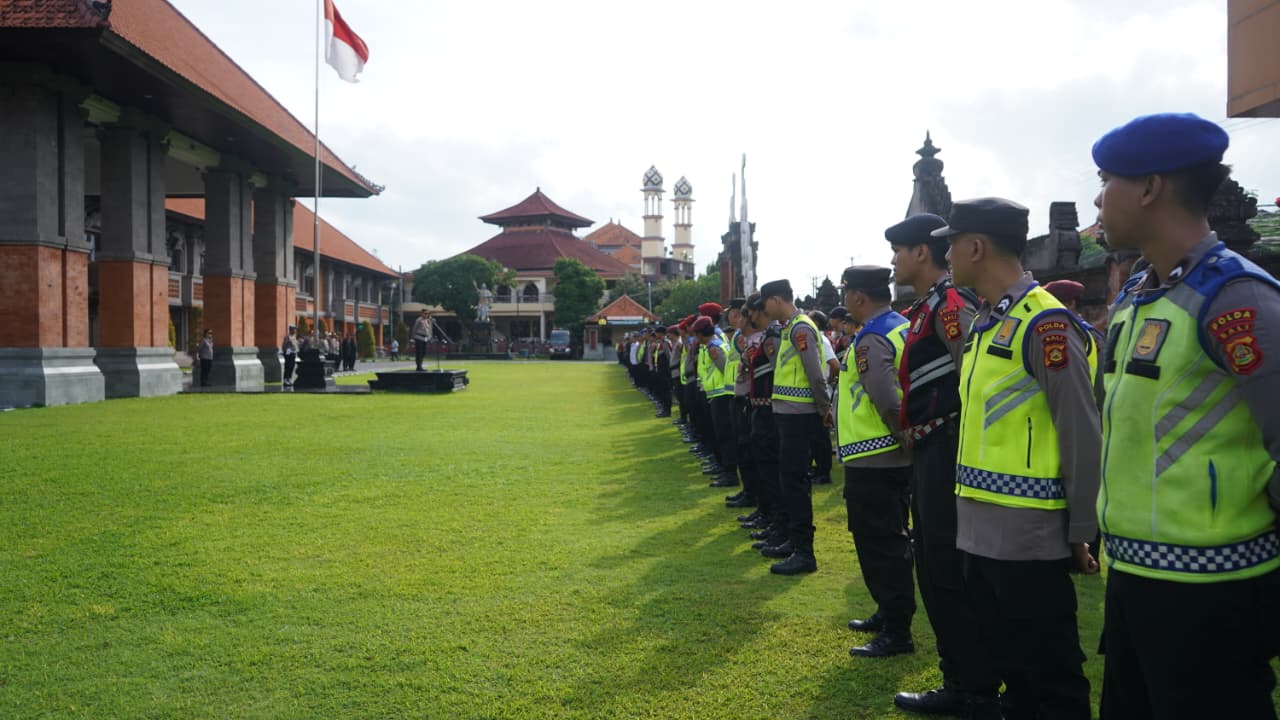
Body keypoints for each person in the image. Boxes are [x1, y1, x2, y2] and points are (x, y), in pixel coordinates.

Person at [1091, 113, 1280, 719]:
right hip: (1133, 576)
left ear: (1149, 187)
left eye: (1105, 180)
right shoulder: (1138, 294)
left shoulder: (1236, 297)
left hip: (1214, 592)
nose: (1097, 197)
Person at [938, 197, 1099, 720]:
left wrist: (1081, 530)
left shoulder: (1044, 324)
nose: (947, 256)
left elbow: (1081, 430)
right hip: (980, 529)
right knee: (1013, 669)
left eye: (951, 245)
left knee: (1050, 672)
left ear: (976, 246)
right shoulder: (987, 323)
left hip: (1029, 534)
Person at [884, 213, 999, 718]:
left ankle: (972, 685)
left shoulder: (952, 306)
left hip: (948, 446)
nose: (893, 261)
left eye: (899, 251)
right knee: (933, 564)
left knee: (947, 568)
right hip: (931, 448)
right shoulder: (928, 308)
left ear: (920, 254)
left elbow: (972, 380)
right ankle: (962, 676)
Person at [837, 266, 917, 659]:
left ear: (857, 297)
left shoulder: (871, 336)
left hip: (875, 455)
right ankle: (889, 613)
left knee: (880, 544)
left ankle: (897, 630)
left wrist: (904, 439)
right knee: (889, 539)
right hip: (886, 455)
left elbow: (887, 399)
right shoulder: (900, 325)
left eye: (846, 292)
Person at [760, 279, 830, 575]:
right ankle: (794, 540)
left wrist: (825, 408)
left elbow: (815, 373)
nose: (764, 310)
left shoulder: (800, 328)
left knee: (796, 482)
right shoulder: (790, 328)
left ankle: (804, 551)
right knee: (789, 480)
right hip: (789, 415)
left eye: (766, 303)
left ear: (776, 299)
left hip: (800, 416)